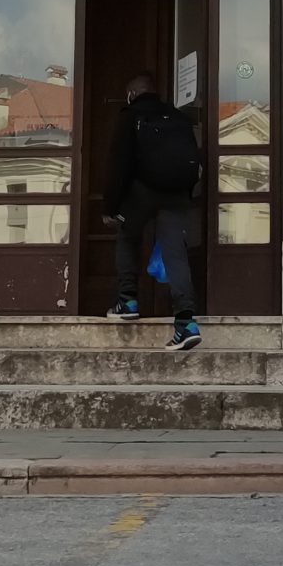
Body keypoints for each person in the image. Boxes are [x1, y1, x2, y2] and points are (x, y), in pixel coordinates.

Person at [104, 72, 203, 354]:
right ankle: (186, 323)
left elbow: (118, 165)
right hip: (176, 195)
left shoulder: (130, 116)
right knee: (175, 253)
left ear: (132, 94)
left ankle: (128, 301)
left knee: (126, 235)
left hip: (142, 194)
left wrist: (110, 208)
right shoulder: (178, 117)